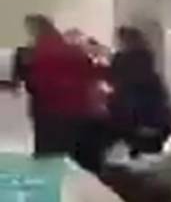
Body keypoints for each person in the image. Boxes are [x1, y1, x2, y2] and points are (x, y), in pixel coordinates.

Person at [24, 15, 109, 170]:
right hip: (77, 110)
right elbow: (92, 73)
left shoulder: (38, 52)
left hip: (49, 111)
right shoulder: (73, 51)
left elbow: (36, 83)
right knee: (72, 158)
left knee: (49, 161)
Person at [109, 26, 171, 156]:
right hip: (153, 124)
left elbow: (113, 76)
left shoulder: (122, 61)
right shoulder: (148, 62)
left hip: (133, 116)